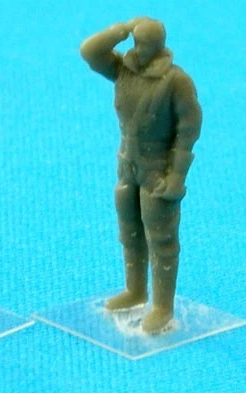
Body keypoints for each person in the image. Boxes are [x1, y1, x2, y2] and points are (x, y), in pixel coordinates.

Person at [80, 18, 202, 333]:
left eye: (144, 43)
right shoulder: (124, 70)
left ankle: (162, 306)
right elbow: (90, 51)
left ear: (159, 45)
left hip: (157, 168)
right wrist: (120, 29)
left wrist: (177, 176)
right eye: (135, 41)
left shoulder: (175, 81)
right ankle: (135, 291)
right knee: (130, 232)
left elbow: (188, 129)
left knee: (161, 238)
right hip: (128, 165)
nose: (138, 48)